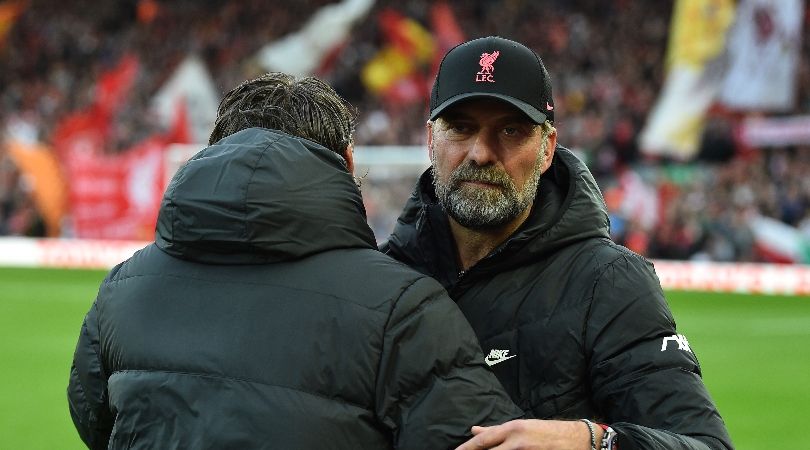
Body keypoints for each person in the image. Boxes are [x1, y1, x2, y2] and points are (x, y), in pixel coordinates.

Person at [67, 72, 523, 449]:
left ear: (214, 152)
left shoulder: (122, 289)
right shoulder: (403, 307)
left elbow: (94, 421)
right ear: (346, 163)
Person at [381, 36, 734, 450]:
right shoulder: (381, 279)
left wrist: (593, 442)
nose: (480, 153)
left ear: (547, 148)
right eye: (460, 127)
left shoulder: (609, 284)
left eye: (510, 130)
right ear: (430, 140)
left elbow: (705, 445)